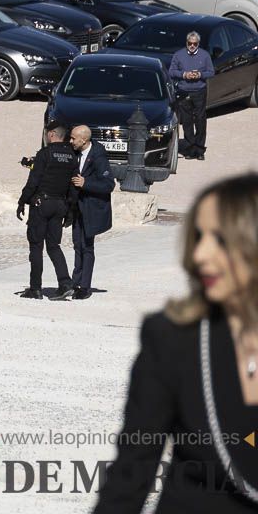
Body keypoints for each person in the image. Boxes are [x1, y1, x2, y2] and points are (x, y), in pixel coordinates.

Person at [94, 174, 258, 513]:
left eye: (220, 240)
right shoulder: (173, 339)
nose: (201, 255)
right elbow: (131, 472)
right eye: (198, 238)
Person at [16, 122, 77, 300]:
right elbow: (74, 186)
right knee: (54, 246)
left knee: (36, 246)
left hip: (41, 204)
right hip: (60, 205)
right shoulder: (72, 156)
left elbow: (33, 182)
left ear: (51, 135)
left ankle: (35, 288)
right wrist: (71, 210)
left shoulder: (45, 154)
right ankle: (65, 283)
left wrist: (22, 201)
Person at [69, 124, 115, 300]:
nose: (71, 141)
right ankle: (75, 282)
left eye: (73, 138)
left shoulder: (98, 156)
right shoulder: (75, 152)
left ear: (84, 140)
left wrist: (85, 183)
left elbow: (108, 184)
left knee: (87, 246)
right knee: (77, 244)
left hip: (91, 208)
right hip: (77, 207)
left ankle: (84, 286)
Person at [169, 30, 214, 160]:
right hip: (184, 91)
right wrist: (184, 74)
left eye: (195, 44)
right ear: (186, 43)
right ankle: (189, 149)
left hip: (199, 91)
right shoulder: (179, 55)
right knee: (187, 121)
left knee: (200, 120)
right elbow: (171, 71)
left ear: (198, 44)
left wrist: (200, 75)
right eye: (190, 43)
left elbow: (211, 72)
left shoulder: (205, 55)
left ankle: (199, 150)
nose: (192, 46)